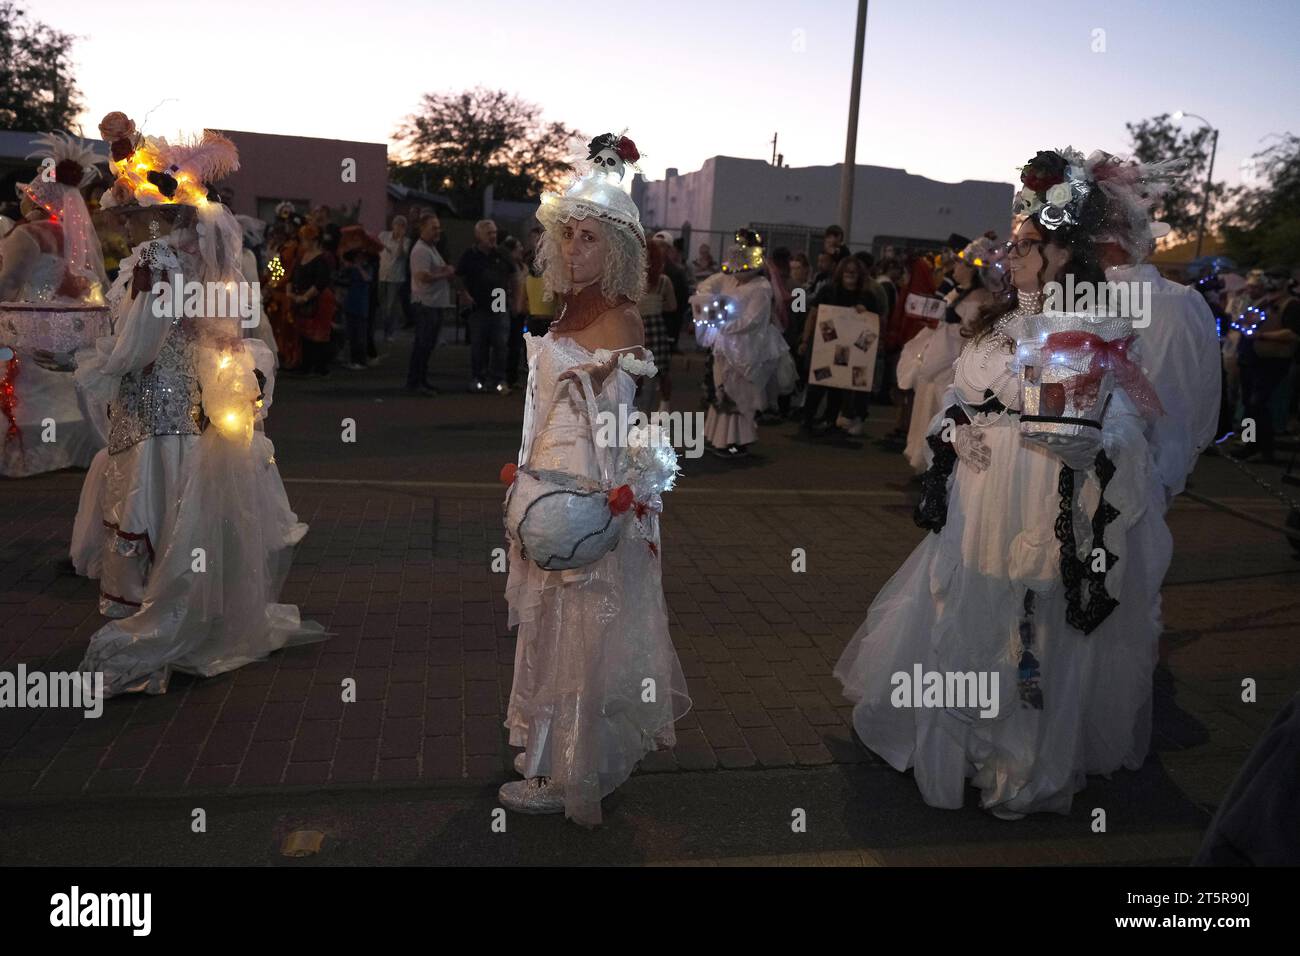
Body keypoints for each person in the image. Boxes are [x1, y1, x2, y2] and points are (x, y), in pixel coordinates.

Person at [835, 147, 1170, 818]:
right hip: (983, 495)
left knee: (1033, 624)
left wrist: (1090, 442)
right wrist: (955, 432)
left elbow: (1129, 420)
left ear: (1060, 256)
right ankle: (956, 753)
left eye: (1024, 247)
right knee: (966, 613)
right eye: (1011, 246)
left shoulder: (1092, 326)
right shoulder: (998, 322)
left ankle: (1017, 764)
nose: (1007, 258)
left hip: (1042, 495)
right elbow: (960, 401)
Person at [63, 112, 324, 696]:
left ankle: (157, 618)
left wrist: (96, 360)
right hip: (190, 407)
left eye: (132, 216)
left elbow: (140, 342)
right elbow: (234, 315)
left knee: (154, 508)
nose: (125, 227)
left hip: (157, 404)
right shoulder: (211, 259)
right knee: (181, 511)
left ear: (157, 214)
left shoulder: (164, 261)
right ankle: (197, 613)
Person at [499, 131, 690, 824]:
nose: (575, 250)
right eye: (569, 236)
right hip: (547, 475)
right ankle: (544, 746)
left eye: (590, 240)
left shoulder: (620, 316)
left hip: (582, 489)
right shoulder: (566, 308)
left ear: (619, 251)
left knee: (578, 623)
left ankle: (571, 768)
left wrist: (603, 496)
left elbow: (619, 421)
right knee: (547, 621)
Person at [0, 132, 110, 477]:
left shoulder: (26, 235)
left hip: (28, 318)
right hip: (62, 323)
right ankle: (70, 443)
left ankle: (31, 448)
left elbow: (9, 284)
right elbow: (79, 284)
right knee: (60, 383)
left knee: (23, 381)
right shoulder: (70, 235)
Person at [899, 236, 1002, 471]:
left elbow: (972, 335)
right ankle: (923, 463)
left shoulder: (978, 298)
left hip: (949, 368)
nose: (954, 268)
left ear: (972, 269)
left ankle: (935, 467)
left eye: (959, 264)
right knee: (925, 415)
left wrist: (951, 326)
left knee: (941, 418)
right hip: (935, 364)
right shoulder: (957, 291)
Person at [692, 230, 788, 458]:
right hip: (723, 347)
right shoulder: (730, 279)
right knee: (721, 392)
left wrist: (720, 322)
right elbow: (706, 285)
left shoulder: (761, 288)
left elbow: (752, 320)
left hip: (745, 351)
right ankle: (720, 438)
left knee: (740, 396)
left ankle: (737, 441)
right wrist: (706, 300)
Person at [798, 255, 879, 437]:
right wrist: (805, 339)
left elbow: (874, 325)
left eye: (854, 272)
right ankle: (807, 419)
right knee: (818, 382)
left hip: (850, 348)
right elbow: (813, 314)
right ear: (841, 272)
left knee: (839, 383)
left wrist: (864, 315)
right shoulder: (829, 291)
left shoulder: (867, 296)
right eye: (847, 271)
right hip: (826, 346)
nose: (851, 275)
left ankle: (830, 419)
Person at [456, 219, 516, 394]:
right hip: (478, 307)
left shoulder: (503, 254)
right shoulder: (470, 255)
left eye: (494, 233)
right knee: (478, 345)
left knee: (500, 344)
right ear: (478, 236)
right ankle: (478, 378)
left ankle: (499, 380)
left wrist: (515, 298)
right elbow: (459, 276)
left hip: (499, 305)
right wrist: (464, 294)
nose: (493, 236)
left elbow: (514, 275)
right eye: (489, 233)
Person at [407, 214, 453, 395]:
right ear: (422, 229)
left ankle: (421, 379)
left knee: (427, 345)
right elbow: (422, 276)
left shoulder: (431, 248)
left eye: (438, 227)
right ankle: (415, 381)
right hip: (426, 304)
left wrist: (444, 270)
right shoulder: (421, 251)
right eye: (433, 227)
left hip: (433, 304)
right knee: (423, 344)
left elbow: (431, 271)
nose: (437, 231)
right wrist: (445, 274)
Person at [288, 225, 335, 375]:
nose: (302, 243)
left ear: (314, 241)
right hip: (301, 299)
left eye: (304, 240)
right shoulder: (301, 256)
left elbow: (320, 282)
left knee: (318, 334)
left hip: (318, 301)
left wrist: (305, 297)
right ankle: (305, 364)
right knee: (304, 333)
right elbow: (292, 275)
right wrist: (291, 292)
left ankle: (320, 366)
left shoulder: (322, 259)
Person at [638, 236, 678, 411]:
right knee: (658, 372)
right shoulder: (663, 281)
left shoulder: (631, 280)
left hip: (637, 328)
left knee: (636, 373)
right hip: (655, 328)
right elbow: (672, 306)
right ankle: (661, 408)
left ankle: (641, 413)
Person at [377, 214, 410, 343]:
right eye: (398, 225)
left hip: (396, 278)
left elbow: (401, 255)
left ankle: (388, 333)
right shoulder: (384, 235)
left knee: (391, 306)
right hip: (382, 275)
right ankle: (384, 330)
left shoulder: (406, 241)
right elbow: (376, 247)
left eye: (403, 226)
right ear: (393, 225)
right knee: (382, 305)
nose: (400, 228)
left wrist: (401, 238)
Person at [502, 234, 529, 389]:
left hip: (522, 310)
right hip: (510, 309)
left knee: (516, 345)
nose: (521, 250)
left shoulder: (523, 267)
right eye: (518, 248)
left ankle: (512, 377)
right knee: (507, 344)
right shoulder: (507, 268)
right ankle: (504, 376)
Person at [338, 247, 373, 369]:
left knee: (360, 335)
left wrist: (358, 267)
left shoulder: (367, 268)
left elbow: (368, 278)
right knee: (351, 334)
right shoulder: (349, 269)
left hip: (361, 305)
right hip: (350, 303)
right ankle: (354, 359)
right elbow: (341, 279)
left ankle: (360, 360)